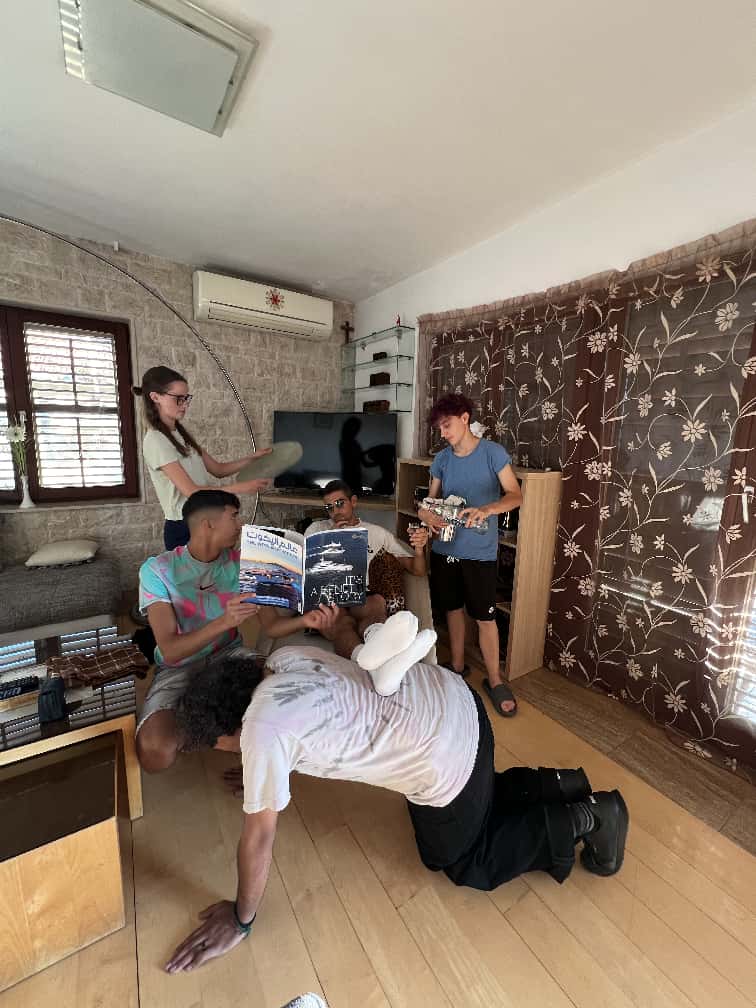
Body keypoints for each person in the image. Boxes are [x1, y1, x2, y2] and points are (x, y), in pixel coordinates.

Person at [163, 609, 628, 974]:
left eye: (224, 747)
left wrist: (241, 920)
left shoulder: (262, 732)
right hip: (459, 702)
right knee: (475, 804)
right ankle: (564, 785)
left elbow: (259, 836)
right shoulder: (283, 661)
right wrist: (261, 772)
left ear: (231, 732)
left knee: (463, 859)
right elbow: (320, 699)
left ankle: (590, 816)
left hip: (446, 756)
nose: (234, 753)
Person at [136, 489, 263, 773]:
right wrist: (224, 621)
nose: (240, 524)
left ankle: (207, 723)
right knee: (155, 753)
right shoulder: (158, 570)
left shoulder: (243, 562)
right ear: (209, 524)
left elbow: (274, 621)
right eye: (234, 516)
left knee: (282, 686)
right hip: (179, 666)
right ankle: (219, 731)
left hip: (231, 655)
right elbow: (170, 650)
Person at [417, 393, 522, 717]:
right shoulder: (442, 459)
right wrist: (426, 515)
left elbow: (515, 495)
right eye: (439, 428)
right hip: (445, 548)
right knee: (452, 608)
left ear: (464, 418)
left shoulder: (493, 453)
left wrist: (488, 509)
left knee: (485, 617)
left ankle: (495, 679)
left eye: (447, 425)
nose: (443, 433)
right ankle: (458, 664)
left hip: (480, 553)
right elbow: (428, 503)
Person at [257, 479, 430, 649]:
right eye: (329, 507)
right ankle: (360, 655)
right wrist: (331, 537)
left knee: (376, 605)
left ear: (353, 501)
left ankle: (377, 647)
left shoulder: (376, 533)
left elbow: (417, 570)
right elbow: (307, 566)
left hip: (361, 593)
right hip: (327, 594)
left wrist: (419, 549)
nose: (335, 511)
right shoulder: (316, 529)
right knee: (340, 621)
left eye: (340, 503)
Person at [133, 366, 272, 550]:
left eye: (186, 398)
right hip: (184, 526)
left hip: (206, 519)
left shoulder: (182, 434)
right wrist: (239, 488)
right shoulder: (155, 440)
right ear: (155, 397)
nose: (185, 404)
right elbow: (192, 491)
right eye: (178, 398)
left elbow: (219, 469)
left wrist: (252, 458)